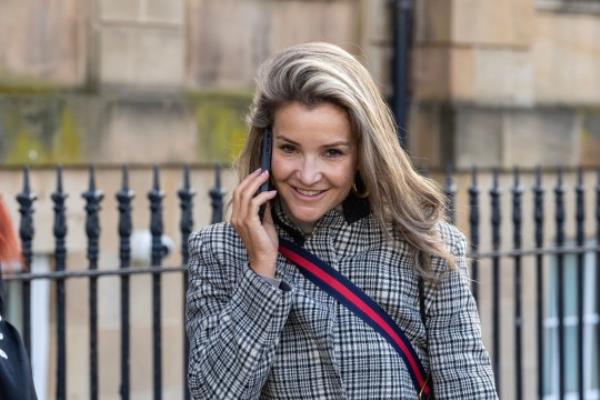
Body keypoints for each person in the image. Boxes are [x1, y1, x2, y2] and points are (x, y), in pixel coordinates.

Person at [186, 42, 497, 399]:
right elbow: (211, 394)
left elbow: (468, 389)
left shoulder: (426, 246)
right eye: (289, 149)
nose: (307, 174)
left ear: (363, 155)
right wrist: (260, 272)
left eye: (332, 153)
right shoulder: (219, 252)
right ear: (267, 147)